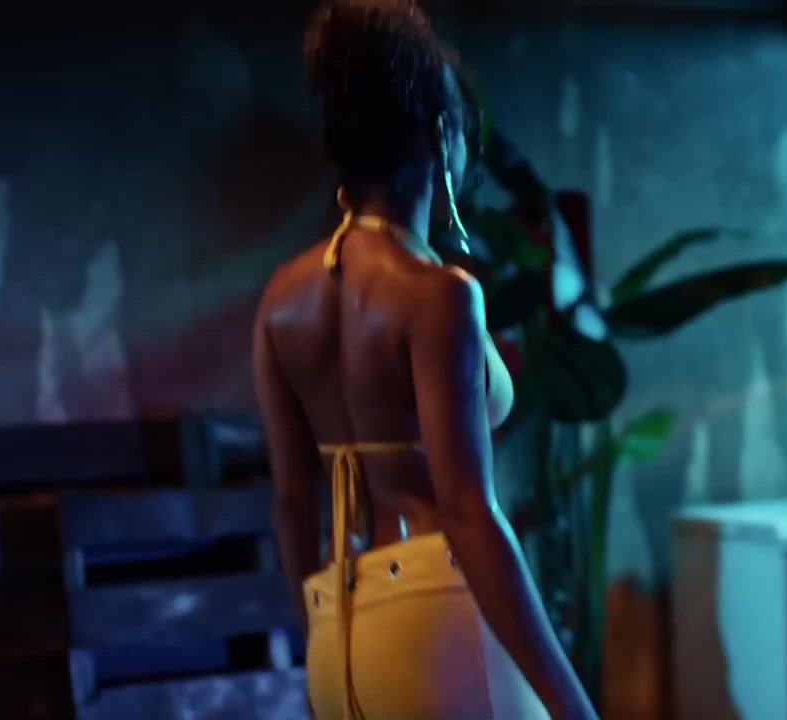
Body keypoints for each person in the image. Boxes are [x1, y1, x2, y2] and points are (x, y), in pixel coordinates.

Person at [251, 2, 599, 719]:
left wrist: (325, 640)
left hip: (340, 637)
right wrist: (573, 704)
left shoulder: (280, 298)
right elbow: (469, 513)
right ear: (441, 136)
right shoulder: (439, 295)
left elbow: (290, 501)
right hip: (438, 620)